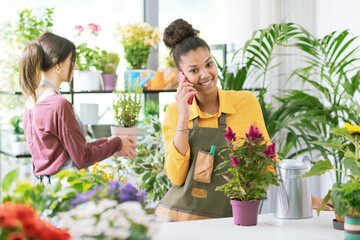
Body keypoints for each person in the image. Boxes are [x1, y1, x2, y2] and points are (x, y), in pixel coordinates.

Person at [155, 19, 332, 222]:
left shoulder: (245, 102)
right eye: (194, 70)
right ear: (182, 77)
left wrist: (305, 199)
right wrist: (184, 117)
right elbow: (176, 177)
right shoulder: (175, 112)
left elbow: (267, 159)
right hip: (179, 221)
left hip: (228, 220)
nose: (205, 74)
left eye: (209, 64)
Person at [19, 32, 137, 184]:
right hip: (67, 189)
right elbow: (83, 158)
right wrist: (116, 144)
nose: (76, 66)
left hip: (46, 188)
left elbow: (71, 150)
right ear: (58, 65)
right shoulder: (59, 105)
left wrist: (111, 141)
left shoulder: (32, 102)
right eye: (72, 60)